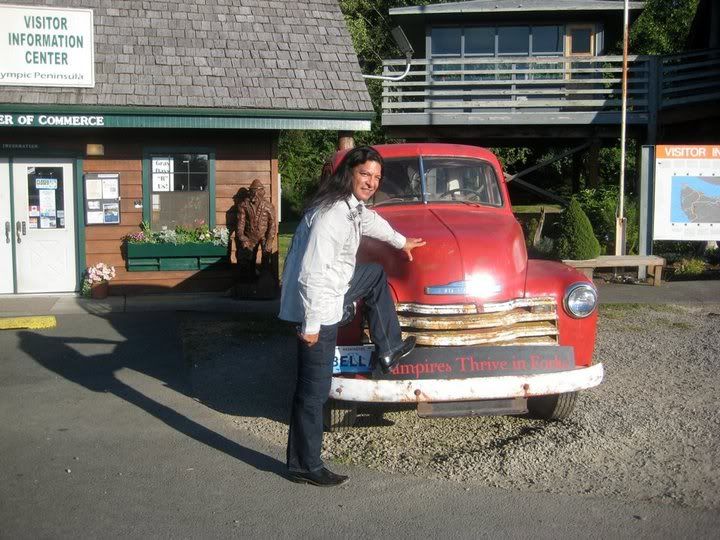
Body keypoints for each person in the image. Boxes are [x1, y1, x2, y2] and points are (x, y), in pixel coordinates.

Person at [279, 146, 426, 487]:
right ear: (350, 173)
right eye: (365, 175)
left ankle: (388, 347)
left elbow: (371, 221)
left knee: (373, 275)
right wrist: (312, 326)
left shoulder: (351, 208)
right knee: (314, 391)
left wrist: (401, 241)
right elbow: (311, 274)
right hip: (318, 306)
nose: (372, 182)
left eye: (376, 177)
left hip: (335, 288)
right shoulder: (331, 215)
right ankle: (306, 465)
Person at [235, 179, 276, 276]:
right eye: (253, 192)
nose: (256, 195)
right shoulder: (243, 205)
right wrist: (242, 237)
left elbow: (272, 224)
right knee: (249, 260)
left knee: (266, 256)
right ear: (250, 192)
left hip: (264, 236)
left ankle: (264, 279)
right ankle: (250, 279)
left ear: (262, 192)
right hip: (249, 236)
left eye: (258, 191)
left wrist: (269, 240)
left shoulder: (268, 206)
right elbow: (240, 224)